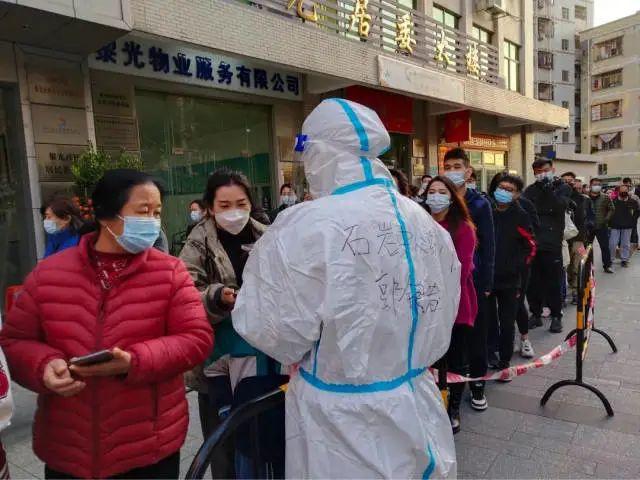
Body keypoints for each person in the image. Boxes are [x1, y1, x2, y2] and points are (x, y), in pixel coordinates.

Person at [233, 99, 460, 478]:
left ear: (320, 152)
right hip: (417, 403)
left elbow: (273, 332)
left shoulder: (306, 225)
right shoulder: (423, 221)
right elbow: (446, 306)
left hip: (339, 420)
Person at [0, 169, 213, 479]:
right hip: (68, 447)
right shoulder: (48, 274)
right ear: (105, 215)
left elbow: (196, 338)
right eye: (143, 211)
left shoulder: (170, 272)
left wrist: (134, 361)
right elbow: (15, 340)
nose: (152, 221)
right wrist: (44, 366)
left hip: (148, 445)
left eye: (157, 213)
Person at [179, 169, 273, 478]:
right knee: (224, 447)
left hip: (265, 359)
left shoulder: (268, 236)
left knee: (266, 440)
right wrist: (217, 297)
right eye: (224, 205)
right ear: (210, 207)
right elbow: (183, 295)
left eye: (241, 204)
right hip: (217, 363)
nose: (234, 212)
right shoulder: (197, 244)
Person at [442, 147, 495, 412]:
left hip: (473, 282)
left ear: (468, 171)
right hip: (446, 283)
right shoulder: (440, 201)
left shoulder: (480, 204)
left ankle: (477, 385)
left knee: (476, 337)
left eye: (457, 166)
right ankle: (450, 387)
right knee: (453, 339)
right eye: (447, 167)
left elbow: (489, 245)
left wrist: (487, 283)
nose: (452, 171)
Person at [425, 175, 477, 433]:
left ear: (452, 197)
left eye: (442, 192)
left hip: (455, 303)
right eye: (431, 191)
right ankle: (432, 404)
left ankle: (453, 408)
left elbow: (462, 269)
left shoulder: (463, 228)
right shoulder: (419, 223)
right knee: (431, 358)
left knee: (456, 359)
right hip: (425, 303)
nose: (436, 196)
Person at [487, 175, 536, 372]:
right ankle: (490, 352)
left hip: (511, 280)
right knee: (489, 321)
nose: (504, 192)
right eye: (501, 187)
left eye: (509, 190)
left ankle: (505, 361)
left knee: (507, 322)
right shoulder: (487, 211)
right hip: (488, 278)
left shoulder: (521, 216)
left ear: (517, 195)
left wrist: (517, 267)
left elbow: (530, 246)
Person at [522, 157, 572, 334]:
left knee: (553, 282)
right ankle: (535, 314)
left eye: (545, 170)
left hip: (552, 243)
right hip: (533, 243)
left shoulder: (562, 188)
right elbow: (525, 211)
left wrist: (549, 189)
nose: (542, 174)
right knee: (532, 282)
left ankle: (556, 315)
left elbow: (560, 206)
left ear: (552, 169)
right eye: (538, 171)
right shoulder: (530, 190)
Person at [560, 172, 589, 304]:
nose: (568, 182)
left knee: (577, 266)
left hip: (579, 238)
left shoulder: (583, 199)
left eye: (570, 180)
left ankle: (576, 292)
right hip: (563, 239)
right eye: (565, 180)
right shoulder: (557, 197)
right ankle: (564, 292)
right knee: (565, 267)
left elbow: (589, 216)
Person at [586, 177, 614, 273]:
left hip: (601, 226)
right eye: (595, 184)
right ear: (590, 185)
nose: (597, 186)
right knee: (587, 247)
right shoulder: (585, 196)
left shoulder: (605, 197)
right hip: (588, 227)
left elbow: (611, 209)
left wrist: (606, 219)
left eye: (599, 184)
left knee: (605, 246)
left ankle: (607, 265)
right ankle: (588, 266)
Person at [609, 183, 637, 268]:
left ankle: (624, 260)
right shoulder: (613, 201)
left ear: (628, 191)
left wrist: (632, 221)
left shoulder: (633, 202)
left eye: (625, 191)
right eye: (622, 191)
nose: (623, 192)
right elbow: (608, 212)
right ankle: (610, 259)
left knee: (625, 244)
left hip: (628, 226)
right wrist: (609, 222)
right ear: (618, 191)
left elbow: (637, 212)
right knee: (612, 243)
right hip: (615, 225)